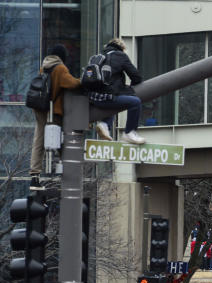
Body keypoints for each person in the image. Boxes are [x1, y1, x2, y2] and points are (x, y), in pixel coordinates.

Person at [28, 44, 82, 186]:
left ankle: (35, 174)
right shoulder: (60, 68)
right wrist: (83, 80)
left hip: (40, 106)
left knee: (39, 138)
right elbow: (72, 84)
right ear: (62, 56)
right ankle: (68, 170)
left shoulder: (44, 66)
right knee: (59, 138)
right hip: (54, 110)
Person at [89, 38, 145, 145]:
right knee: (135, 102)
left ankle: (105, 124)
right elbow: (136, 77)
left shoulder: (97, 57)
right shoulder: (120, 56)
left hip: (94, 98)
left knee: (116, 97)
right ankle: (129, 132)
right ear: (122, 48)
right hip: (108, 98)